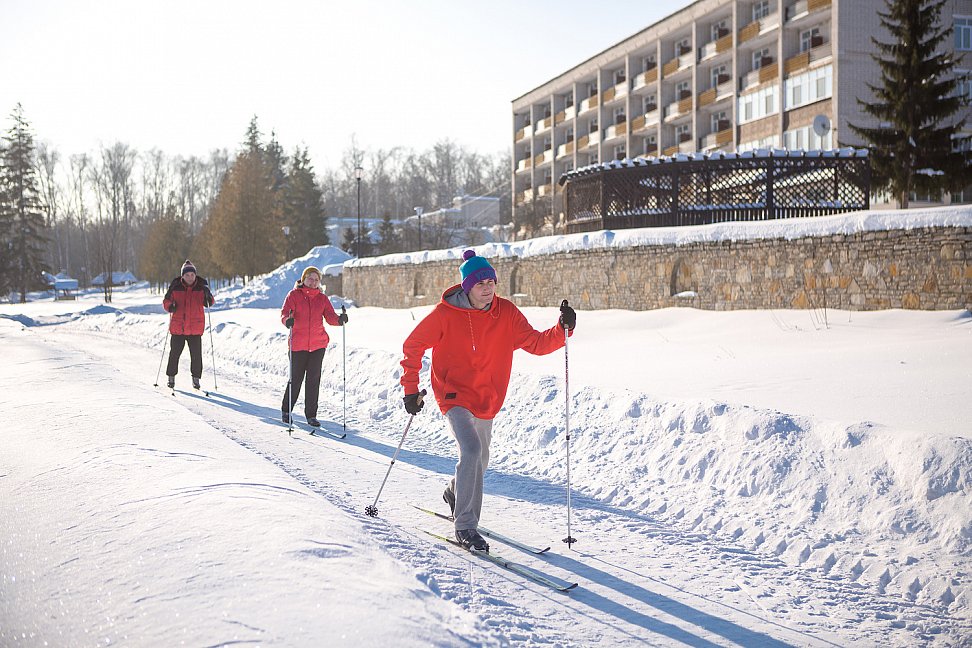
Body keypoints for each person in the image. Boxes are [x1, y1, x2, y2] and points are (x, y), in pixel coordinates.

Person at [400, 249, 576, 552]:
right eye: (480, 284)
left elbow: (536, 343)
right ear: (467, 286)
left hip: (487, 395)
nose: (487, 289)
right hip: (453, 394)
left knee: (480, 459)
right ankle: (466, 526)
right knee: (471, 449)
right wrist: (410, 389)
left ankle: (455, 492)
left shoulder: (505, 312)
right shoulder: (445, 314)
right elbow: (412, 345)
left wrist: (563, 329)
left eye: (491, 283)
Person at [280, 266, 347, 427]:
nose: (313, 282)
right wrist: (287, 321)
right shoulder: (294, 295)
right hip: (298, 345)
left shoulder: (322, 298)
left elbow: (330, 316)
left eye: (316, 280)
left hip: (318, 345)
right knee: (296, 379)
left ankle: (311, 415)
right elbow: (285, 313)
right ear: (303, 279)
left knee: (313, 380)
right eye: (310, 278)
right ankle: (286, 411)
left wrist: (339, 320)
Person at [163, 260, 215, 390]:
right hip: (178, 328)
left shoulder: (201, 288)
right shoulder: (175, 287)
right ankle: (171, 377)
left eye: (192, 275)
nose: (190, 277)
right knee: (174, 354)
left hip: (195, 329)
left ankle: (196, 379)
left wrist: (208, 298)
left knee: (196, 356)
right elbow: (166, 301)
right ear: (183, 276)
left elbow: (209, 302)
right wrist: (170, 306)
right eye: (187, 275)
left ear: (195, 275)